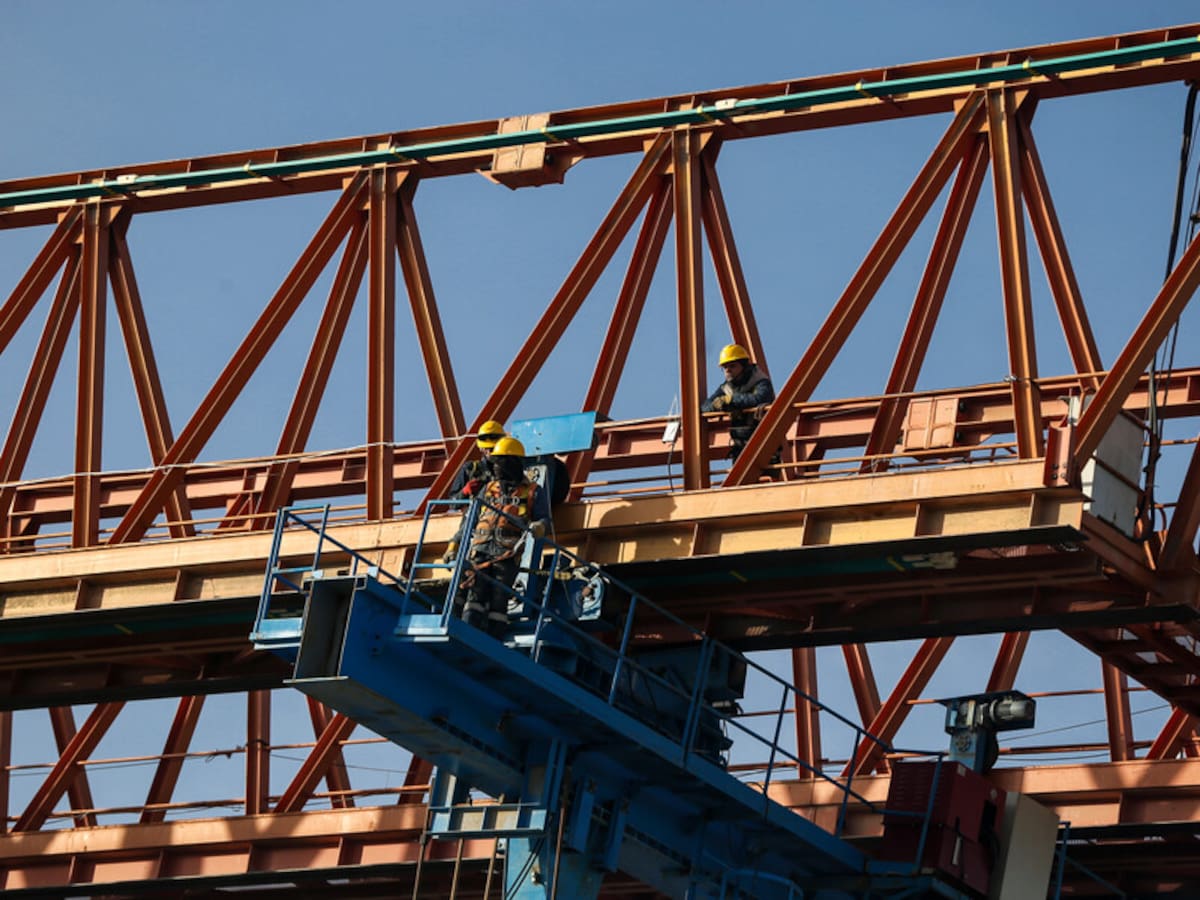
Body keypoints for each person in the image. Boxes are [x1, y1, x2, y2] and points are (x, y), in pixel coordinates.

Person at [443, 436, 551, 637]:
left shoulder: (532, 492)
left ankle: (493, 638)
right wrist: (453, 545)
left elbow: (545, 519)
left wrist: (539, 527)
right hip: (479, 551)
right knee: (471, 593)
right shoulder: (489, 489)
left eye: (499, 463)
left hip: (506, 555)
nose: (496, 468)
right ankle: (461, 631)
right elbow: (470, 519)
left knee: (498, 598)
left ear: (512, 464)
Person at [701, 343, 776, 463]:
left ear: (744, 366)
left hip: (765, 445)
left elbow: (759, 399)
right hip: (741, 447)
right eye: (725, 367)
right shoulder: (726, 388)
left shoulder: (761, 382)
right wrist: (717, 405)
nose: (728, 370)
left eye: (732, 366)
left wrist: (732, 400)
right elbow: (704, 407)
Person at [449, 419, 506, 501]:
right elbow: (452, 502)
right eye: (487, 448)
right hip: (477, 512)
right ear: (481, 448)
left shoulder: (508, 469)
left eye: (492, 448)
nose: (490, 452)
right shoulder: (470, 469)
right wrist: (464, 492)